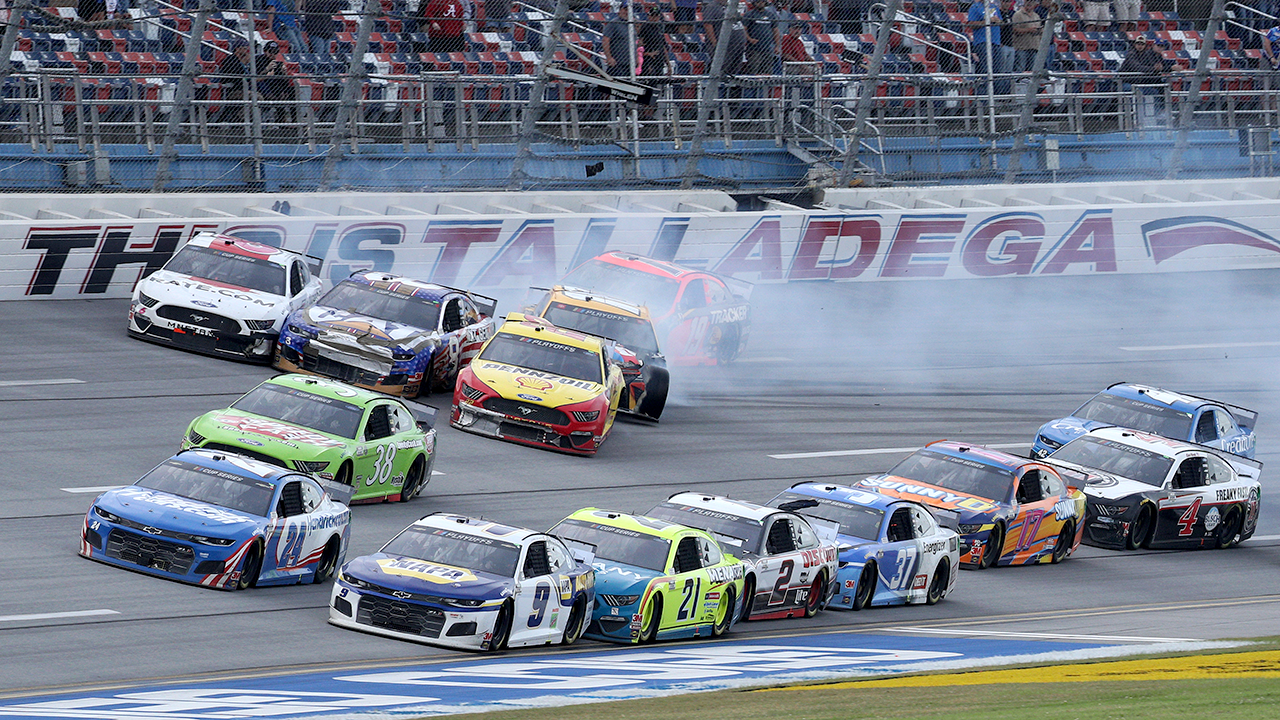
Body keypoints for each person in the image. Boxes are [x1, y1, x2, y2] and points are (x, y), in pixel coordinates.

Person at [967, 0, 1005, 87]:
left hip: (996, 42)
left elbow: (1001, 23)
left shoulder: (994, 7)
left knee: (998, 70)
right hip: (982, 42)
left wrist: (998, 21)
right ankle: (986, 92)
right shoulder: (975, 7)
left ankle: (997, 93)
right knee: (987, 69)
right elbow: (971, 24)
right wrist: (988, 21)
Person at [743, 0, 780, 75]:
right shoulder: (749, 14)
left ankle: (766, 86)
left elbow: (775, 30)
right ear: (754, 3)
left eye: (762, 2)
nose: (760, 3)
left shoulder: (770, 15)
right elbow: (744, 29)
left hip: (767, 47)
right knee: (754, 67)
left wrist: (777, 46)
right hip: (754, 48)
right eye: (758, 2)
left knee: (767, 69)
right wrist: (750, 39)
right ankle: (752, 85)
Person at [1009, 0, 1042, 75]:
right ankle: (1019, 85)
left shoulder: (1036, 16)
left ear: (1035, 4)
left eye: (1031, 1)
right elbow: (1014, 30)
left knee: (1032, 71)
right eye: (1027, 1)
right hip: (1022, 47)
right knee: (1021, 69)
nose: (1029, 3)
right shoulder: (1018, 15)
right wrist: (1028, 30)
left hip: (1034, 47)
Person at [602, 2, 635, 77]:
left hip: (630, 63)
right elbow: (605, 40)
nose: (627, 12)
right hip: (618, 62)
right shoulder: (613, 23)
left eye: (629, 10)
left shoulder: (632, 24)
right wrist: (609, 57)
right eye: (625, 9)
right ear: (620, 10)